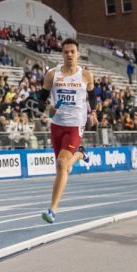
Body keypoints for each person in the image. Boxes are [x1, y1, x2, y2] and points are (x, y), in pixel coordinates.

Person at [37, 38, 97, 224]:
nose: (69, 54)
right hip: (57, 125)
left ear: (78, 53)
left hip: (75, 125)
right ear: (62, 54)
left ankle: (52, 210)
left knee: (63, 164)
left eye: (72, 51)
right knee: (63, 166)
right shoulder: (52, 75)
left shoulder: (86, 75)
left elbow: (92, 95)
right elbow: (41, 100)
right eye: (66, 52)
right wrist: (48, 108)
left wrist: (93, 112)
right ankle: (80, 155)